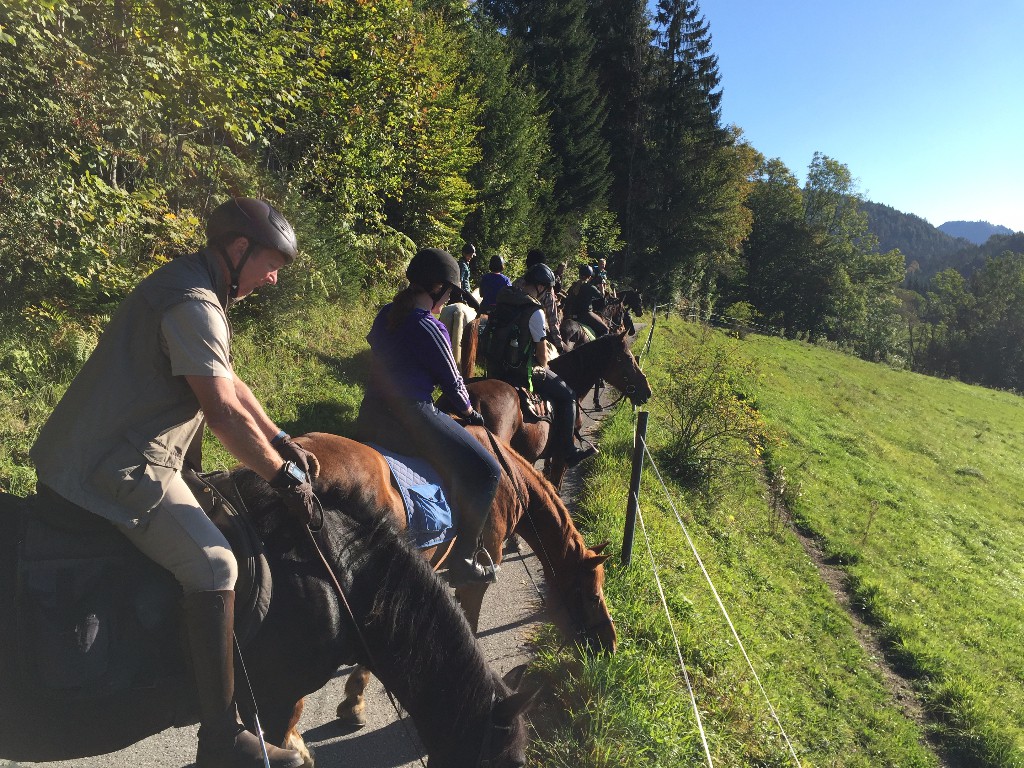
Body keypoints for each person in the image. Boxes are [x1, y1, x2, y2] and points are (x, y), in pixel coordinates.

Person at [30, 198, 316, 768]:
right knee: (215, 565)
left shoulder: (193, 285)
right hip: (111, 466)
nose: (274, 276)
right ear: (239, 249)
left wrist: (281, 436)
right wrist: (283, 478)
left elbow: (230, 383)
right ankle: (221, 743)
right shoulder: (194, 305)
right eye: (270, 262)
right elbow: (223, 414)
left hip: (119, 447)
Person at [356, 247, 501, 586]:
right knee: (486, 472)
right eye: (449, 293)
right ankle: (464, 560)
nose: (449, 299)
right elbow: (454, 384)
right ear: (437, 289)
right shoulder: (430, 327)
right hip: (411, 416)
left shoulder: (387, 314)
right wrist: (469, 413)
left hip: (372, 412)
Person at [485, 263, 596, 468]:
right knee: (568, 395)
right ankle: (568, 451)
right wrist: (544, 364)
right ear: (541, 287)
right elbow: (542, 355)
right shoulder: (534, 311)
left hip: (496, 369)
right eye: (547, 289)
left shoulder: (504, 298)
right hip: (520, 372)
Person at [512, 248, 564, 354]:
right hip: (529, 336)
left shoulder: (517, 282)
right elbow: (552, 320)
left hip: (509, 329)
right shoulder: (545, 289)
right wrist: (559, 344)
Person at [567, 264, 609, 338]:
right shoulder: (590, 287)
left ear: (579, 275)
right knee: (605, 329)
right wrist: (601, 284)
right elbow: (601, 296)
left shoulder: (572, 286)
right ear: (590, 276)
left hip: (571, 314)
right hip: (585, 315)